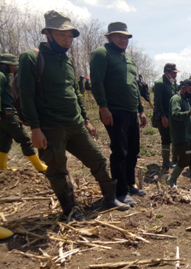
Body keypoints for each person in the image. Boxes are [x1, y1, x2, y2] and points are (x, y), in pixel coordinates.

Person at [18, 10, 130, 222]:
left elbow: (75, 93)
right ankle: (70, 209)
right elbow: (26, 95)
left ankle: (109, 198)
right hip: (50, 128)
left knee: (97, 159)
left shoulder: (66, 60)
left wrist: (86, 119)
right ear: (47, 33)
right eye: (62, 35)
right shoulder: (31, 58)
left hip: (76, 125)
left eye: (70, 36)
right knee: (57, 168)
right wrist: (35, 128)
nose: (68, 40)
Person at [90, 21, 148, 206]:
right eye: (119, 36)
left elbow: (134, 86)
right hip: (114, 110)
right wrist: (103, 107)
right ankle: (120, 192)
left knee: (133, 150)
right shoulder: (102, 53)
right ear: (109, 37)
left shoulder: (128, 59)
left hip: (131, 111)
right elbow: (97, 82)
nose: (123, 40)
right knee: (120, 151)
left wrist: (141, 110)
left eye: (126, 37)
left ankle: (130, 185)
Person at [0, 54, 47, 172]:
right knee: (25, 139)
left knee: (5, 139)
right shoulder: (1, 76)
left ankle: (2, 166)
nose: (15, 67)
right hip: (6, 114)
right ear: (4, 65)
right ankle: (39, 166)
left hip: (5, 114)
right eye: (12, 65)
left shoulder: (4, 75)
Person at [167, 79, 191, 191]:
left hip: (189, 136)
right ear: (184, 87)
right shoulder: (176, 99)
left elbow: (189, 114)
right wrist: (190, 113)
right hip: (180, 137)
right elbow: (175, 114)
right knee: (184, 160)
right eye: (190, 90)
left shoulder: (185, 99)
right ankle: (172, 179)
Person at [153, 63, 180, 168]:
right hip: (163, 115)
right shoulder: (160, 84)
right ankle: (165, 161)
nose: (175, 75)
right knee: (166, 138)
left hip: (172, 115)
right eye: (173, 73)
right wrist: (163, 117)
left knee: (174, 137)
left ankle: (175, 158)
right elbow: (158, 102)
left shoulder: (172, 83)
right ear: (167, 73)